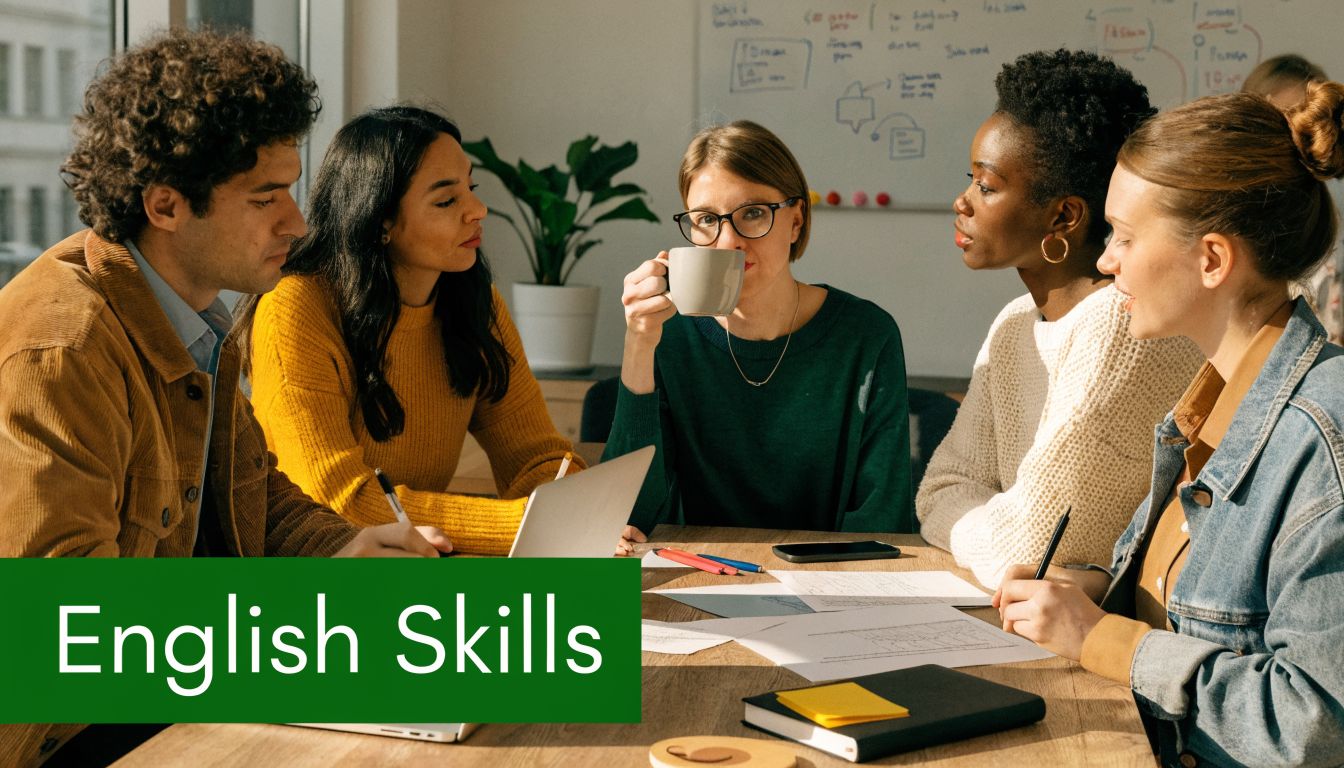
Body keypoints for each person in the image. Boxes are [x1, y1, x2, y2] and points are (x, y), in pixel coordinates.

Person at [0, 29, 450, 766]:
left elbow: (254, 496)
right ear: (167, 205)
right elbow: (69, 628)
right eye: (265, 198)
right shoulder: (64, 350)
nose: (298, 224)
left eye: (291, 191)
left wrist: (349, 548)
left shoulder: (201, 319)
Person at [994, 84, 1344, 767]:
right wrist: (1103, 592)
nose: (1104, 260)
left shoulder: (1323, 439)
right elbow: (1200, 618)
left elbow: (1314, 724)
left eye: (1124, 236)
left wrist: (1102, 639)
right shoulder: (1207, 406)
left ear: (1211, 260)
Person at [916, 49, 1203, 588]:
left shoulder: (1121, 325)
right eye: (969, 178)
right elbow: (939, 488)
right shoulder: (1015, 323)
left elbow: (1030, 552)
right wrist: (998, 522)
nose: (963, 201)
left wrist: (989, 520)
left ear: (1063, 216)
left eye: (988, 185)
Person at [237, 106, 579, 556]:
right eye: (446, 201)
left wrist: (581, 513)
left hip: (417, 566)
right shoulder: (295, 307)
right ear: (380, 221)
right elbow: (335, 500)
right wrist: (531, 525)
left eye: (471, 189)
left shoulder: (474, 302)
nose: (477, 210)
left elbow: (535, 458)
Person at [605, 120, 913, 549]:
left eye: (753, 213)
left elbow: (883, 522)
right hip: (701, 580)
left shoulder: (865, 335)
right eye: (706, 220)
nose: (728, 240)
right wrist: (638, 343)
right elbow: (629, 518)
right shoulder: (668, 336)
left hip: (832, 585)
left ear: (796, 221)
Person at [1242, 54, 1343, 345]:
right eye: (1277, 121)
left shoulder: (1328, 234)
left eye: (1303, 120)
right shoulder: (1231, 219)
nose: (1291, 137)